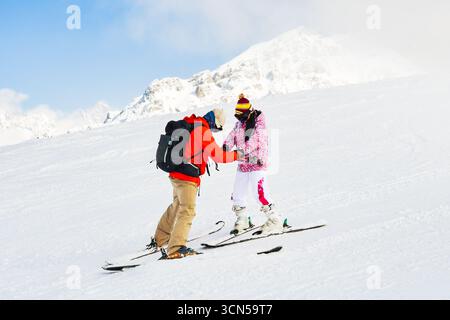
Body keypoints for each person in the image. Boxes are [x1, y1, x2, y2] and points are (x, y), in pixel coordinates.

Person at [150, 109, 242, 260]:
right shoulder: (203, 131)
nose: (214, 131)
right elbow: (218, 156)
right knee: (188, 210)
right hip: (187, 178)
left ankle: (160, 239)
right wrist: (237, 155)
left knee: (177, 206)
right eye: (216, 128)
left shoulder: (191, 123)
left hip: (175, 173)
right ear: (214, 122)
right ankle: (176, 248)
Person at [223, 94, 285, 235]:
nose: (238, 118)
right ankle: (243, 219)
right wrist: (226, 146)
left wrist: (240, 151)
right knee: (238, 193)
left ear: (248, 112)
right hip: (243, 163)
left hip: (257, 162)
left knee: (260, 193)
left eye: (241, 115)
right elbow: (233, 134)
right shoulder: (240, 123)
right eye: (237, 115)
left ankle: (275, 220)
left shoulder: (259, 122)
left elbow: (255, 141)